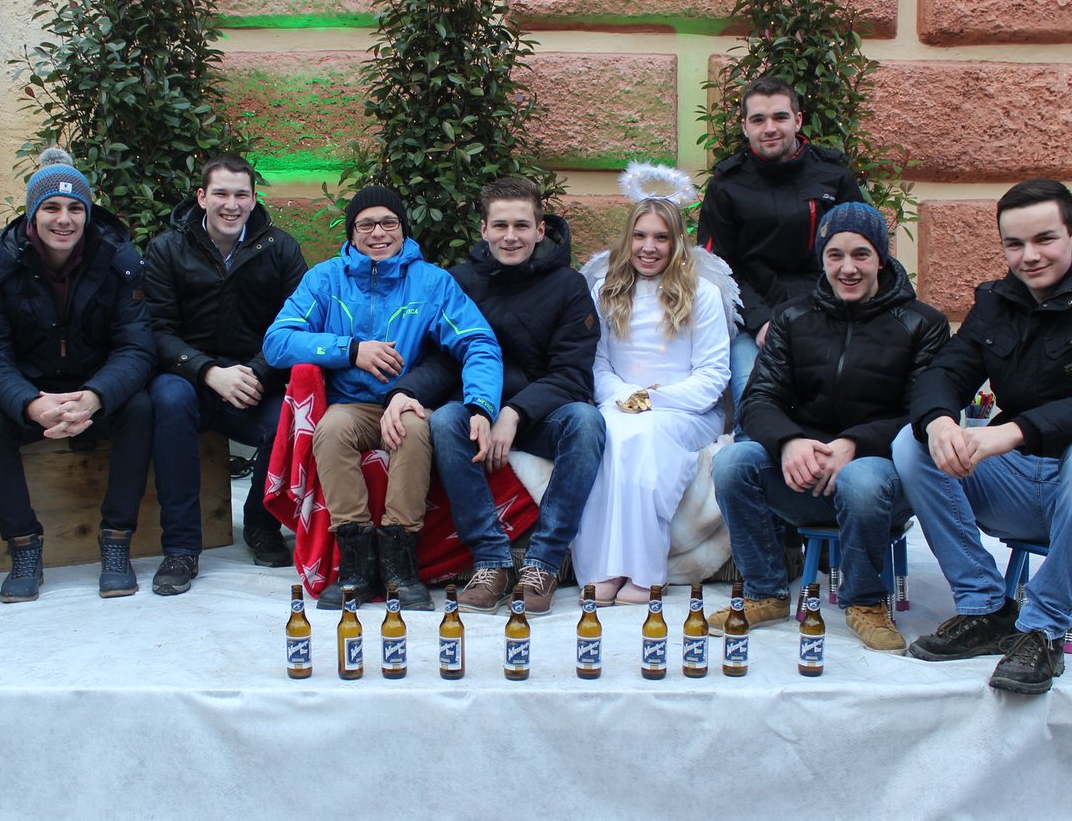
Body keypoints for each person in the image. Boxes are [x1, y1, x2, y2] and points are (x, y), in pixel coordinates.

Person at [893, 178, 1072, 694]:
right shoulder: (996, 303)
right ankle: (985, 608)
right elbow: (943, 373)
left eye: (1044, 239)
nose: (1029, 256)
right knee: (912, 441)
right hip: (1020, 487)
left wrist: (1014, 432)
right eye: (1014, 244)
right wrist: (940, 420)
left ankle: (1043, 629)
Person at [709, 202, 949, 651]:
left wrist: (854, 443)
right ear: (822, 259)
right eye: (835, 255)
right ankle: (765, 591)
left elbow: (924, 412)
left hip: (880, 477)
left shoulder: (923, 323)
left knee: (861, 479)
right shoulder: (792, 318)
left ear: (881, 257)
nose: (847, 268)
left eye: (861, 254)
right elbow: (759, 398)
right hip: (805, 472)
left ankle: (865, 602)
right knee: (733, 462)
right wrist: (789, 442)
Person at [262, 185, 502, 611]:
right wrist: (350, 350)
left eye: (389, 222)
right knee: (331, 431)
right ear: (351, 233)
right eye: (366, 224)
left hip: (408, 402)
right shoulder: (324, 279)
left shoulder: (431, 282)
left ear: (403, 229)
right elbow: (278, 342)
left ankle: (399, 561)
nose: (378, 233)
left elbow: (478, 343)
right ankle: (355, 561)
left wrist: (481, 405)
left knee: (413, 431)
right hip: (349, 404)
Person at [390, 177, 604, 617]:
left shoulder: (569, 286)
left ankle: (542, 564)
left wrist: (514, 413)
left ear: (540, 230)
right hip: (475, 413)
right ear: (484, 229)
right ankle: (491, 562)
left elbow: (571, 373)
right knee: (444, 419)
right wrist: (405, 391)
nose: (511, 236)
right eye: (501, 225)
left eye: (521, 226)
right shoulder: (458, 281)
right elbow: (442, 359)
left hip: (540, 415)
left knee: (587, 422)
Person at [0, 149, 155, 601]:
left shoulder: (119, 260)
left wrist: (94, 397)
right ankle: (23, 548)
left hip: (95, 391)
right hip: (32, 393)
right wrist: (30, 403)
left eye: (75, 208)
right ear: (32, 214)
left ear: (88, 214)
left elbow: (136, 347)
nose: (64, 219)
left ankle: (116, 541)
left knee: (141, 407)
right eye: (51, 207)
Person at [144, 154, 308, 594]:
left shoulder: (281, 249)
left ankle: (261, 524)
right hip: (186, 379)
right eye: (220, 193)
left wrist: (256, 371)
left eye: (241, 195)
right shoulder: (166, 249)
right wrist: (207, 371)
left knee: (288, 418)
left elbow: (296, 325)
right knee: (167, 401)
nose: (231, 205)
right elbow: (156, 330)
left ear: (254, 200)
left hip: (255, 380)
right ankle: (181, 547)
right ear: (202, 197)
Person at [572, 196, 730, 605]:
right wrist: (626, 397)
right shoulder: (605, 290)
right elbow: (597, 363)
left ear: (677, 242)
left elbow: (712, 375)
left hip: (686, 409)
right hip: (619, 403)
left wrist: (653, 400)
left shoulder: (703, 293)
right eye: (640, 236)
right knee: (607, 436)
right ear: (628, 239)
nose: (649, 247)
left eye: (661, 237)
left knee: (643, 438)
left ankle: (644, 572)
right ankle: (603, 568)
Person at [696, 75, 865, 409]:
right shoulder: (726, 185)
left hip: (829, 315)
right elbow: (719, 269)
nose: (769, 128)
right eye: (758, 119)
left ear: (797, 121)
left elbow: (858, 255)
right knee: (753, 399)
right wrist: (760, 320)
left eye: (780, 117)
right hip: (754, 322)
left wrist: (814, 317)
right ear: (745, 126)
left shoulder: (834, 176)